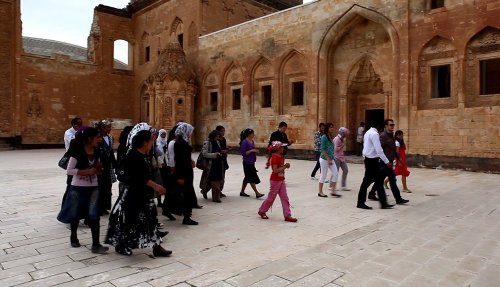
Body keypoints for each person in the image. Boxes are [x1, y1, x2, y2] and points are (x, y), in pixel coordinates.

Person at [105, 130, 171, 257]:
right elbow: (140, 178)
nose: (153, 143)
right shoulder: (133, 156)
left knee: (151, 219)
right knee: (130, 221)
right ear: (145, 142)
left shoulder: (143, 155)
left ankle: (156, 246)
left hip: (143, 194)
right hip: (133, 195)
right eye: (151, 140)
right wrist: (158, 187)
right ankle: (122, 245)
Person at [57, 127, 109, 254]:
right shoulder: (77, 151)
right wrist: (86, 172)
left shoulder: (97, 151)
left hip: (94, 187)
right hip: (77, 188)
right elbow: (69, 170)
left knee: (94, 214)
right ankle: (73, 237)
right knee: (75, 212)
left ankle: (96, 244)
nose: (100, 139)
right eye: (97, 137)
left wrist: (99, 169)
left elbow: (98, 165)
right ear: (89, 139)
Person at [368, 119, 409, 205]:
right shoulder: (383, 136)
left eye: (393, 125)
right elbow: (379, 150)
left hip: (389, 162)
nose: (392, 126)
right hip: (385, 162)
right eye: (391, 125)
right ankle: (397, 199)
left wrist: (398, 158)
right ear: (386, 126)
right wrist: (383, 161)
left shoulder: (391, 135)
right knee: (392, 180)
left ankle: (372, 194)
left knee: (381, 180)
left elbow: (393, 149)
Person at [356, 122, 394, 210]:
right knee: (366, 182)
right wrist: (387, 161)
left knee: (379, 181)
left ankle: (383, 203)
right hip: (372, 161)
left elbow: (366, 148)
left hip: (369, 159)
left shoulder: (368, 132)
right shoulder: (374, 134)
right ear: (380, 128)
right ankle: (361, 203)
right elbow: (379, 150)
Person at [258, 141, 297, 222]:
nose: (283, 148)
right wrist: (285, 166)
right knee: (271, 198)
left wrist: (284, 167)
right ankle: (262, 211)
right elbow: (275, 170)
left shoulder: (281, 156)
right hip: (275, 181)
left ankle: (287, 215)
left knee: (284, 197)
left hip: (281, 180)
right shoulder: (275, 158)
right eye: (282, 147)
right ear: (277, 149)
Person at [173, 123, 199, 225]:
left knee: (187, 193)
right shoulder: (180, 143)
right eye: (190, 132)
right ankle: (186, 217)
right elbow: (179, 161)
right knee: (186, 194)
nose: (191, 134)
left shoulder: (183, 142)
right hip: (183, 172)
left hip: (187, 170)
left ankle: (187, 215)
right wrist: (180, 176)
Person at [95, 120, 117, 215]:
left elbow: (111, 152)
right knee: (100, 187)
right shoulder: (97, 138)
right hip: (100, 166)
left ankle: (105, 206)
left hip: (108, 166)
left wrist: (115, 164)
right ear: (102, 128)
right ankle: (98, 207)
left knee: (108, 187)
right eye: (108, 127)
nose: (110, 129)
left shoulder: (110, 138)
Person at [199, 130, 225, 203]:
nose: (217, 137)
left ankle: (204, 191)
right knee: (215, 180)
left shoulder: (217, 142)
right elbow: (204, 153)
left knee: (214, 180)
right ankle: (216, 198)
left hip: (218, 164)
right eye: (216, 136)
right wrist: (214, 155)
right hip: (210, 165)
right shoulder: (207, 143)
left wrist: (221, 153)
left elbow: (219, 151)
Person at [239, 128, 265, 198]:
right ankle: (257, 193)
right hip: (247, 162)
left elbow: (252, 150)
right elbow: (243, 153)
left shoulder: (252, 141)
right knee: (251, 178)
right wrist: (252, 150)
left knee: (247, 177)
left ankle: (242, 191)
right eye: (252, 133)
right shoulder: (244, 142)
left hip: (252, 161)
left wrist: (255, 151)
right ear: (249, 134)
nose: (254, 135)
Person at [318, 123, 341, 198]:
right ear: (327, 128)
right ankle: (320, 192)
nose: (332, 128)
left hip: (331, 159)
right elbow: (323, 149)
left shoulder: (330, 136)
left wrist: (332, 158)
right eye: (330, 127)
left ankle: (333, 191)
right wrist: (328, 159)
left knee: (335, 173)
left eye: (333, 127)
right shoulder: (324, 137)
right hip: (324, 159)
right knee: (323, 175)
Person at [216, 125, 229, 197]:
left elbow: (224, 147)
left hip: (223, 159)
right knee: (218, 177)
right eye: (221, 131)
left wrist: (226, 151)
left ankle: (220, 191)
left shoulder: (223, 139)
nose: (223, 132)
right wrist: (221, 151)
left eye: (224, 131)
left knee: (222, 176)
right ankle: (215, 191)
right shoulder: (216, 140)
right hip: (218, 160)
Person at [157, 129, 169, 205]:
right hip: (160, 165)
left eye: (164, 134)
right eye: (162, 134)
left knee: (165, 182)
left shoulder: (167, 142)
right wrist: (161, 162)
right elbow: (157, 155)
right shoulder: (157, 142)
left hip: (166, 164)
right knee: (159, 182)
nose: (163, 136)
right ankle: (159, 201)